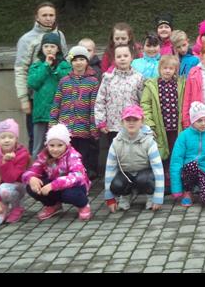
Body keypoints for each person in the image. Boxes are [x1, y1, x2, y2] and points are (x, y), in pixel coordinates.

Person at [14, 1, 68, 154]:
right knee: (36, 139)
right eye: (44, 15)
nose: (48, 18)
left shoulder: (60, 35)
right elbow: (20, 69)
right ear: (37, 17)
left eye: (51, 15)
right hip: (36, 96)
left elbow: (65, 61)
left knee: (59, 138)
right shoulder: (26, 39)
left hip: (57, 96)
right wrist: (23, 98)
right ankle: (36, 167)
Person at [22, 123, 92, 221]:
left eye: (60, 145)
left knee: (69, 194)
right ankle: (53, 205)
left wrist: (53, 185)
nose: (55, 149)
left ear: (66, 145)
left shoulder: (73, 155)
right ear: (47, 145)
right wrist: (31, 178)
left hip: (74, 186)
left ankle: (83, 205)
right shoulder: (44, 155)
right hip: (54, 187)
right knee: (31, 187)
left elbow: (77, 176)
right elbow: (32, 170)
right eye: (52, 145)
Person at [50, 45, 100, 180]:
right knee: (66, 156)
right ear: (71, 62)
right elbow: (57, 103)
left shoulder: (93, 81)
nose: (78, 63)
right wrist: (53, 123)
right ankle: (66, 179)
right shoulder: (64, 81)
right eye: (75, 60)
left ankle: (81, 180)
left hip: (83, 128)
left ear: (87, 61)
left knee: (82, 157)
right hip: (65, 129)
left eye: (82, 59)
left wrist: (93, 127)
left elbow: (93, 106)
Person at [103, 105, 165, 212]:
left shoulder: (149, 141)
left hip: (145, 175)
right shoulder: (116, 143)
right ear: (122, 122)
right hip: (126, 175)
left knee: (144, 179)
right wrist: (110, 199)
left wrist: (158, 198)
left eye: (135, 120)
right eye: (128, 120)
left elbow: (158, 170)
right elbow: (110, 170)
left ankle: (150, 196)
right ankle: (126, 195)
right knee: (116, 184)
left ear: (142, 121)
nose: (131, 123)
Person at [140, 53, 184, 192]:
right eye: (165, 68)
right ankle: (162, 182)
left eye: (171, 68)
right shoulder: (152, 85)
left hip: (176, 127)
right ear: (159, 69)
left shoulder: (180, 84)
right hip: (160, 127)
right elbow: (145, 105)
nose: (167, 71)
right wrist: (150, 124)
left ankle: (175, 181)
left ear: (175, 70)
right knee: (161, 154)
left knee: (175, 153)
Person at [170, 102, 205, 207]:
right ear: (192, 121)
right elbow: (176, 161)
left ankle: (202, 189)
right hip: (188, 171)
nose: (203, 123)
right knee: (192, 165)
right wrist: (176, 189)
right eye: (199, 120)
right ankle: (188, 191)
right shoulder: (183, 136)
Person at [94, 44, 145, 159]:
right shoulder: (108, 78)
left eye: (125, 56)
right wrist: (101, 121)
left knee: (132, 154)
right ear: (114, 59)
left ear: (131, 57)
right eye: (119, 56)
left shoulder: (138, 78)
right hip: (112, 126)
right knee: (115, 155)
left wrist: (142, 121)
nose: (122, 59)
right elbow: (100, 100)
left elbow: (143, 101)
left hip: (132, 124)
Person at [27, 32, 71, 157]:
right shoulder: (37, 66)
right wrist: (46, 66)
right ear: (41, 48)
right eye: (46, 46)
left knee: (60, 145)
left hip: (60, 113)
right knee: (38, 147)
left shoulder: (64, 66)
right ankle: (37, 168)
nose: (49, 49)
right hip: (41, 113)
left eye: (52, 46)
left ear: (58, 49)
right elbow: (33, 83)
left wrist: (55, 69)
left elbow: (67, 81)